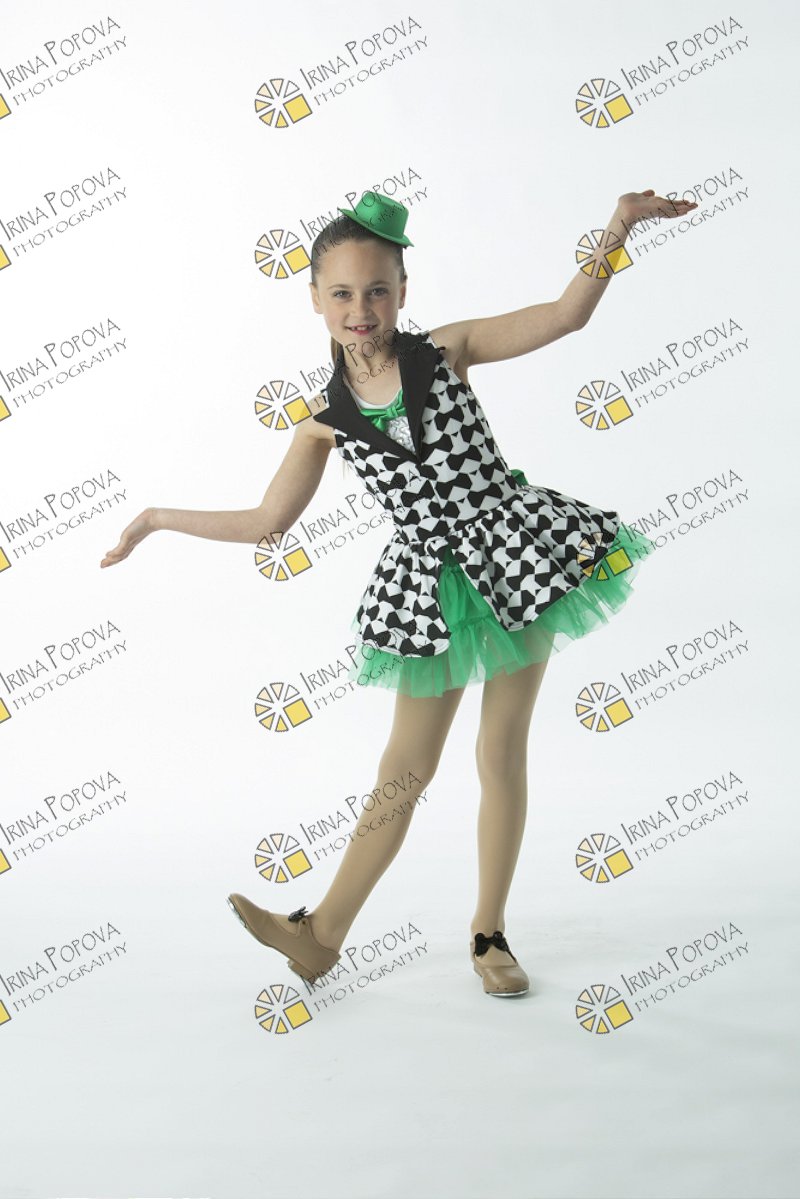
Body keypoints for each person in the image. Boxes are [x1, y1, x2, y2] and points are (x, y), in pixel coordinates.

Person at [100, 187, 695, 998]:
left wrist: (618, 226)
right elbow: (267, 522)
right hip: (426, 590)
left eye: (377, 290)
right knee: (403, 771)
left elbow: (566, 315)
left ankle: (489, 933)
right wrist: (156, 518)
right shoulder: (325, 420)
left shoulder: (445, 351)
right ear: (315, 298)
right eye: (342, 293)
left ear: (403, 290)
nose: (361, 309)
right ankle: (321, 935)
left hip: (515, 558)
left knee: (499, 748)